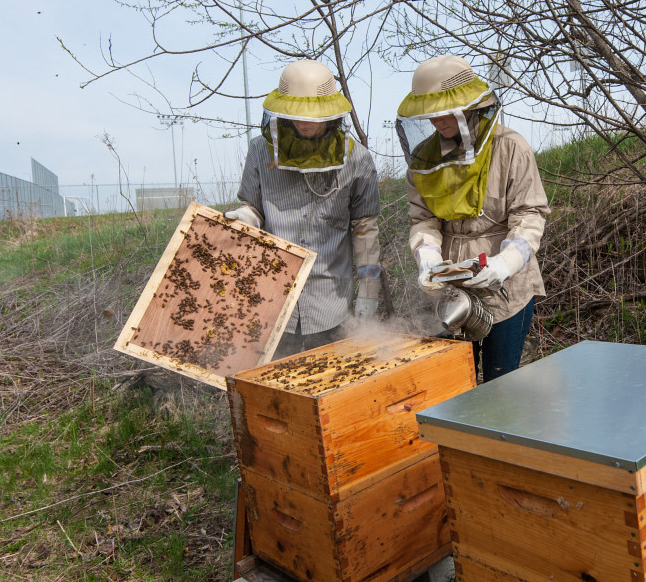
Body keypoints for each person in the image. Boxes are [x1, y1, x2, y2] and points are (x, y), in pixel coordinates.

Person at [396, 55, 549, 381]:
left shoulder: (511, 147)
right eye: (430, 112)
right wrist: (427, 257)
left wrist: (505, 263)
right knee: (451, 381)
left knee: (500, 381)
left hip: (508, 287)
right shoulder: (424, 159)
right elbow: (422, 219)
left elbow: (530, 214)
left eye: (444, 110)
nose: (436, 120)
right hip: (450, 285)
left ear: (468, 106)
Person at [225, 59, 381, 359]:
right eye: (295, 114)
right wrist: (245, 217)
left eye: (311, 115)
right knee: (274, 381)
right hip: (272, 299)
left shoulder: (357, 159)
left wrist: (368, 294)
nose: (303, 122)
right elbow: (253, 208)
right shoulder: (260, 149)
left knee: (331, 379)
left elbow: (365, 231)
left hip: (330, 302)